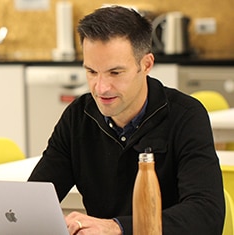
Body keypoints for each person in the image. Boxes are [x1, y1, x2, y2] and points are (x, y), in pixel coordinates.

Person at [28, 5, 225, 235]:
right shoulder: (77, 117)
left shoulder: (187, 116)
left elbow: (206, 214)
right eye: (91, 72)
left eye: (115, 73)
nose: (101, 88)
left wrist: (117, 228)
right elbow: (35, 200)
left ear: (146, 64)